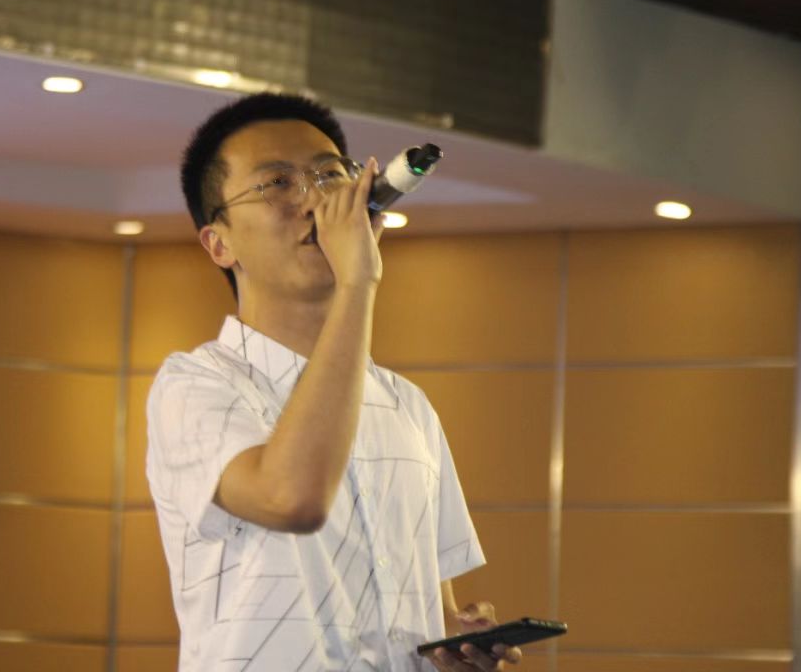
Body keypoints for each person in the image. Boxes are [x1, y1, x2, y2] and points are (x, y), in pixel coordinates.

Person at [146, 92, 521, 671]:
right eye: (277, 184)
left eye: (329, 176)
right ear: (219, 243)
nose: (316, 201)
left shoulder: (406, 405)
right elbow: (292, 498)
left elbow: (431, 609)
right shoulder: (194, 386)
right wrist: (356, 284)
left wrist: (457, 643)